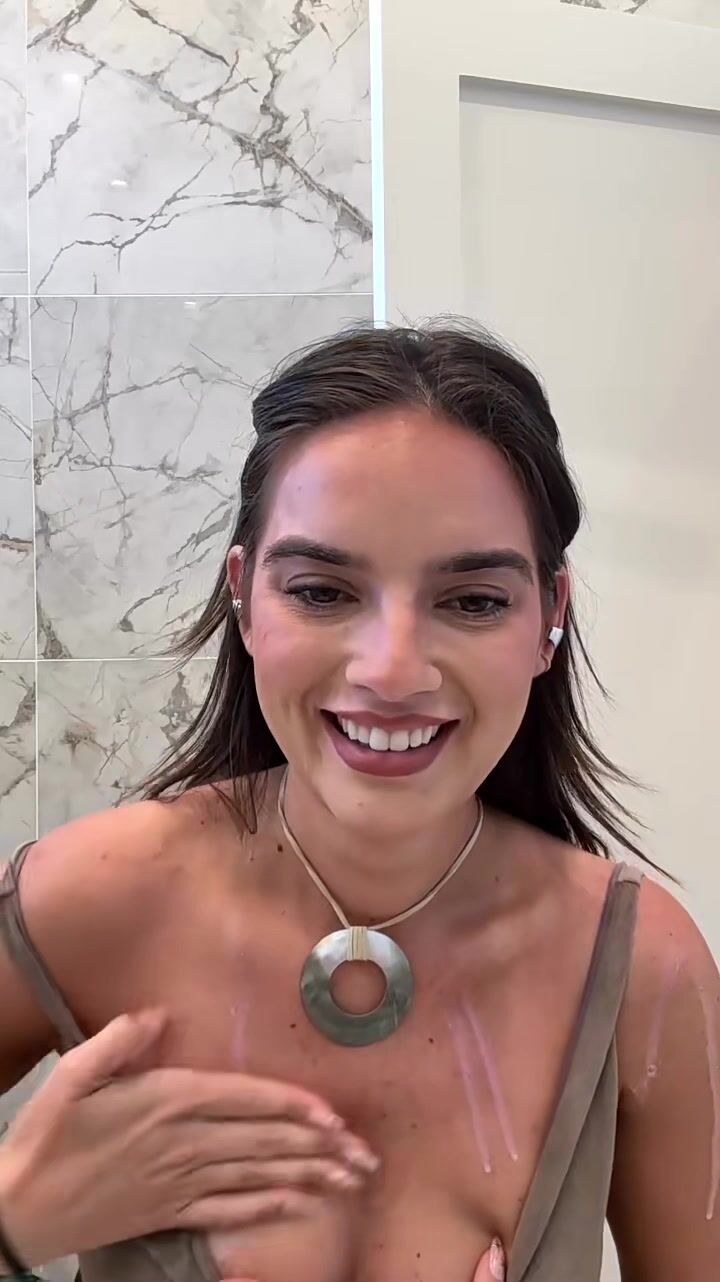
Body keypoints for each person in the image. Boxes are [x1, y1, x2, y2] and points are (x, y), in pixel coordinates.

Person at [0, 323, 718, 1282]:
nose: (391, 670)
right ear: (244, 595)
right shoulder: (94, 899)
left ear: (550, 616)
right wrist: (14, 1219)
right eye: (322, 590)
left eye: (473, 601)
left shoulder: (639, 971)